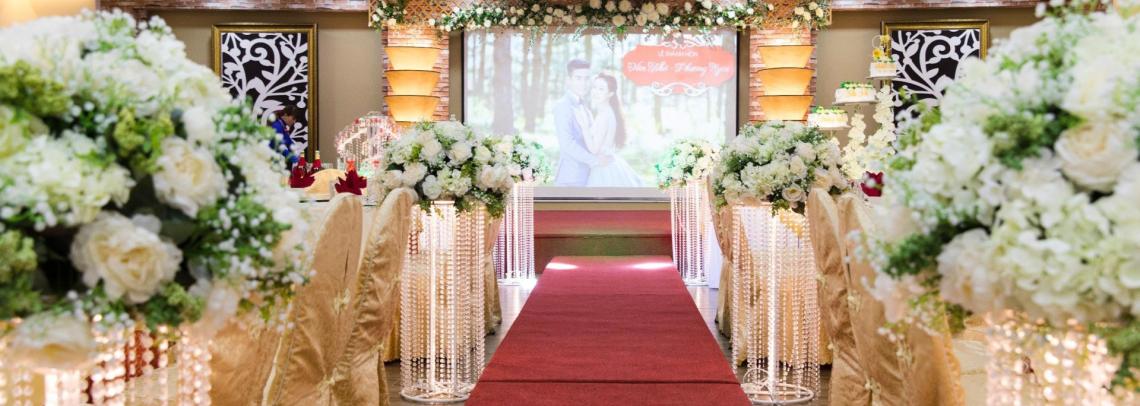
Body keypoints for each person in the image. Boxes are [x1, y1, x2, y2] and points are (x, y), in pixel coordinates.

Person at [552, 59, 610, 186]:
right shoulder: (562, 106)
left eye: (586, 78)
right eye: (578, 78)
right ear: (568, 80)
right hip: (571, 178)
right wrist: (595, 160)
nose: (583, 84)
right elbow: (567, 144)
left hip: (588, 176)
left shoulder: (585, 106)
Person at [582, 73, 642, 187]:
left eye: (601, 89)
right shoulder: (607, 111)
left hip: (604, 169)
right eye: (594, 87)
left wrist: (584, 129)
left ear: (610, 94)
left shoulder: (604, 115)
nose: (595, 92)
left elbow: (594, 149)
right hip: (608, 164)